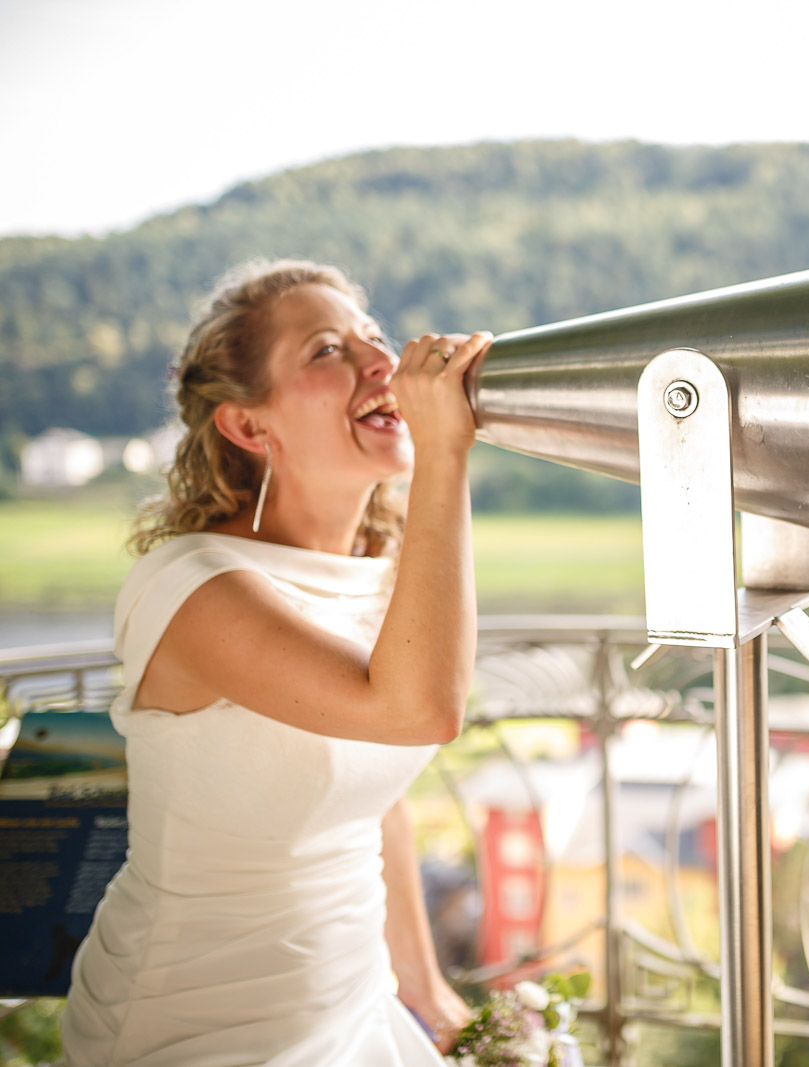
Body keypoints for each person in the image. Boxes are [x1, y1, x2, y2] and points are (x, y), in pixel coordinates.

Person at [60, 260, 493, 1065]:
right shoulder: (195, 589)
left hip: (353, 996)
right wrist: (446, 455)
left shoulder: (382, 568)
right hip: (205, 1016)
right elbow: (417, 710)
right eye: (328, 350)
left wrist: (423, 983)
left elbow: (373, 792)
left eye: (374, 337)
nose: (382, 364)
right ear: (249, 427)